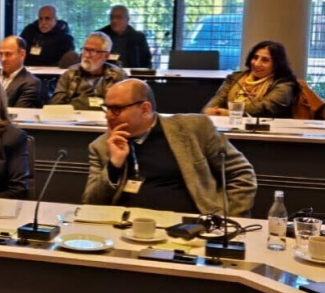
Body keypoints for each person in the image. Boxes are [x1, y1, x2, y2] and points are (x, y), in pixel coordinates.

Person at [82, 79, 256, 216]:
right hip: (124, 228)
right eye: (107, 108)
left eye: (116, 109)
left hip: (190, 228)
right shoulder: (101, 146)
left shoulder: (194, 129)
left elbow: (242, 175)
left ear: (145, 109)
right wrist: (114, 166)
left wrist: (229, 220)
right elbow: (91, 203)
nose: (108, 116)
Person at [203, 40, 299, 118]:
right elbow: (217, 100)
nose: (257, 63)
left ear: (276, 64)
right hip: (228, 127)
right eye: (255, 58)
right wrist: (209, 110)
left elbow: (264, 108)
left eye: (265, 60)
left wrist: (230, 113)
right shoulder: (235, 78)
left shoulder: (284, 84)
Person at [50, 32, 126, 110]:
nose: (87, 55)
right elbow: (55, 105)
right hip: (75, 115)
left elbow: (123, 107)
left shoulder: (117, 76)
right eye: (85, 50)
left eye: (93, 51)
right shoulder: (70, 74)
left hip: (106, 116)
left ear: (106, 56)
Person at [0, 36, 42, 108]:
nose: (3, 59)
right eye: (1, 54)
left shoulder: (31, 83)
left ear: (22, 54)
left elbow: (18, 111)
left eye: (8, 54)